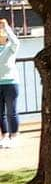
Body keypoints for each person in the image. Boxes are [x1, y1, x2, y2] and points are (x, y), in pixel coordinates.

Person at [0, 19, 19, 148]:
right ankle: (4, 135)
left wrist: (6, 27)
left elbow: (16, 41)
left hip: (11, 82)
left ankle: (14, 136)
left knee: (11, 111)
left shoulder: (10, 48)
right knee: (0, 112)